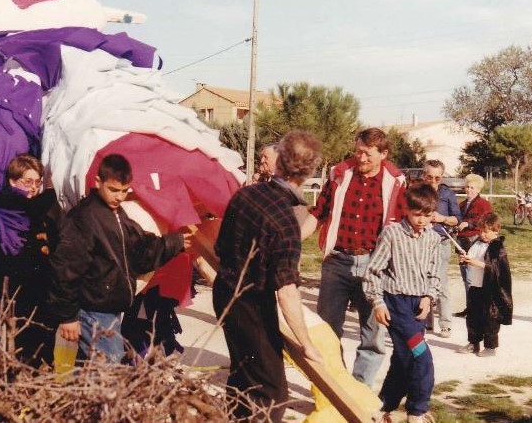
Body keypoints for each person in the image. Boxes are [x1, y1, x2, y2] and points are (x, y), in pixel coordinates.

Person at [214, 130, 323, 422]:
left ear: (280, 161)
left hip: (224, 293)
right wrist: (306, 344)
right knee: (272, 392)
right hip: (250, 303)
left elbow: (220, 247)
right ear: (310, 171)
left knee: (242, 378)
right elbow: (286, 292)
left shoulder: (245, 194)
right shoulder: (286, 221)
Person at [47, 154, 190, 363]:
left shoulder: (115, 213)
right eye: (113, 190)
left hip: (108, 310)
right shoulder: (85, 217)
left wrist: (174, 242)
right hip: (93, 312)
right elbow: (65, 268)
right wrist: (67, 317)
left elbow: (141, 248)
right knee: (109, 374)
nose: (119, 197)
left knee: (92, 374)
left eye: (124, 191)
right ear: (98, 182)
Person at [312, 127, 407, 387]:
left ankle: (359, 391)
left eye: (367, 153)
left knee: (373, 335)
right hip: (337, 262)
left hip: (374, 266)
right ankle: (334, 387)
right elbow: (319, 212)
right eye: (358, 151)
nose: (360, 158)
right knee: (327, 331)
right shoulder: (340, 175)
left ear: (383, 154)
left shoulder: (395, 182)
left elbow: (403, 228)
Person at [363, 183, 440, 423]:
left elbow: (435, 273)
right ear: (406, 209)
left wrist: (429, 297)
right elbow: (373, 270)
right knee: (421, 356)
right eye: (417, 214)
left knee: (403, 356)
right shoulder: (392, 233)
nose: (422, 220)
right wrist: (377, 302)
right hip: (396, 303)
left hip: (419, 305)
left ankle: (385, 405)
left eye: (427, 215)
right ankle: (417, 411)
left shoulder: (434, 238)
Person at [0, 154, 62, 367]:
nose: (33, 187)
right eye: (27, 181)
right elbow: (33, 208)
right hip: (12, 287)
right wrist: (52, 191)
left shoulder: (35, 206)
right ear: (12, 181)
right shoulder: (6, 203)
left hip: (37, 286)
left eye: (37, 182)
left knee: (41, 340)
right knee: (17, 341)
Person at [456, 213, 512, 357]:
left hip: (490, 289)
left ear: (496, 231)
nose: (483, 234)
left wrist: (476, 263)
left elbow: (497, 269)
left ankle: (490, 347)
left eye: (486, 231)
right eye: (481, 231)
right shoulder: (477, 243)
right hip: (475, 285)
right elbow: (471, 256)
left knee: (490, 318)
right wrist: (465, 259)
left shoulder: (497, 247)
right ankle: (473, 343)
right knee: (473, 316)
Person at [420, 159, 461, 338]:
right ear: (423, 176)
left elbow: (457, 219)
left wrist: (442, 218)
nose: (433, 181)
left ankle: (445, 324)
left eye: (437, 178)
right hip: (420, 242)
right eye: (430, 177)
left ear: (442, 177)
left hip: (441, 241)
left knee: (441, 282)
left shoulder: (448, 194)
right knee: (422, 282)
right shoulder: (417, 192)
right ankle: (426, 322)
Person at [454, 174, 493, 316]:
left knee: (474, 276)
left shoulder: (484, 204)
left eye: (472, 187)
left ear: (478, 189)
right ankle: (470, 306)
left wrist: (469, 224)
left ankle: (477, 307)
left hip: (474, 241)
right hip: (462, 243)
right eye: (467, 187)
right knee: (466, 277)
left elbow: (487, 220)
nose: (468, 190)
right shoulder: (462, 204)